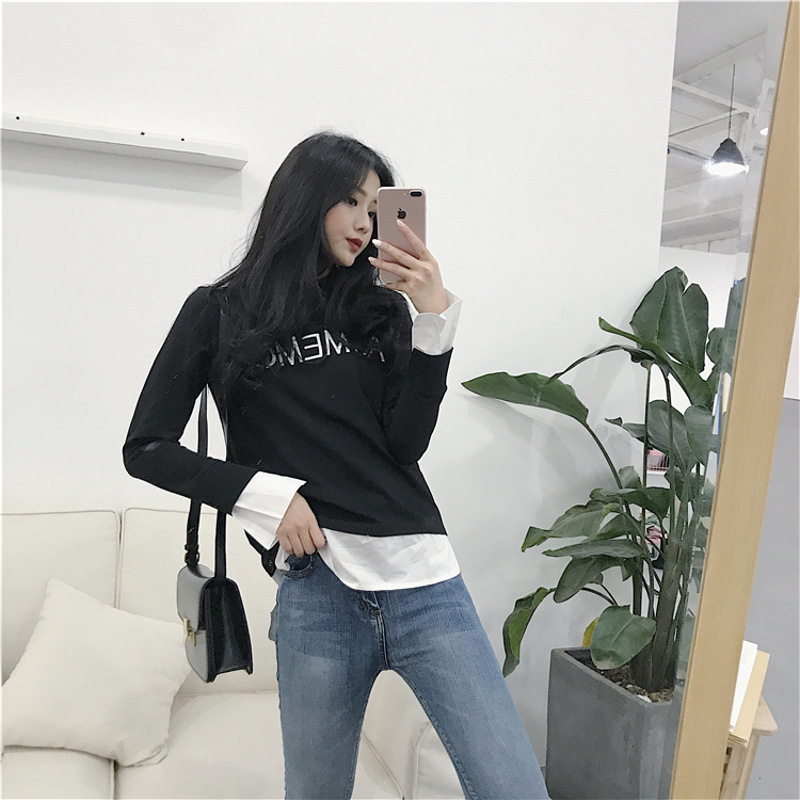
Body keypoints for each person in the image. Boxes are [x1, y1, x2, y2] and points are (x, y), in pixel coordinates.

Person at [123, 130, 550, 800]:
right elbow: (146, 447)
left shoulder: (380, 309)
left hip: (425, 584)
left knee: (514, 788)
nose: (364, 222)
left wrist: (433, 323)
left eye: (376, 208)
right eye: (350, 201)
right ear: (305, 198)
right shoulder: (219, 311)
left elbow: (404, 446)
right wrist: (268, 499)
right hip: (317, 594)